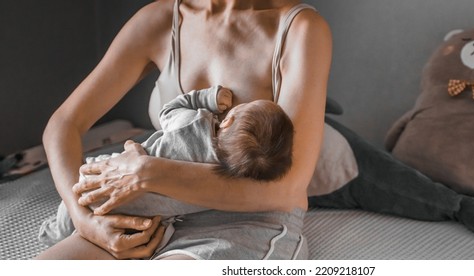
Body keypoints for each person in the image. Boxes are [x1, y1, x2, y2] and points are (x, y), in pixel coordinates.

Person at [36, 0, 331, 260]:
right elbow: (64, 124)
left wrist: (147, 172)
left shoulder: (300, 29)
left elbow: (286, 188)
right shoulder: (160, 20)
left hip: (241, 222)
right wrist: (84, 218)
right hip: (146, 208)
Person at [38, 85, 295, 248]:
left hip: (99, 181)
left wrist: (207, 98)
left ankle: (54, 232)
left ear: (227, 122)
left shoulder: (193, 123)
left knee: (77, 197)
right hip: (134, 221)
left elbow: (170, 109)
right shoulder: (217, 188)